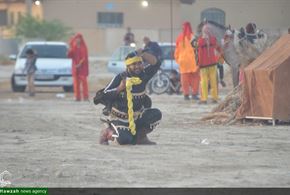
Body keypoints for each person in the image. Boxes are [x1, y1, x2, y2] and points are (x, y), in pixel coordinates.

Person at [95, 49, 162, 145]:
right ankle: (107, 132)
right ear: (128, 66)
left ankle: (141, 137)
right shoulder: (120, 78)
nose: (137, 66)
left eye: (139, 63)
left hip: (136, 117)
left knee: (156, 114)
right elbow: (100, 96)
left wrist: (143, 53)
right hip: (119, 118)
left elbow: (156, 64)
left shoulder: (143, 75)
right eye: (134, 64)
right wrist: (119, 88)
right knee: (124, 140)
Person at [174, 21, 200, 100]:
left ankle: (186, 94)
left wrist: (178, 60)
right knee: (195, 78)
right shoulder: (193, 37)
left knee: (184, 79)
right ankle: (194, 94)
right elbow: (197, 50)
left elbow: (176, 51)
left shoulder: (179, 38)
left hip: (183, 62)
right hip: (193, 62)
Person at [197, 24, 221, 104]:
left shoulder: (200, 41)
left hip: (203, 65)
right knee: (213, 81)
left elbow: (199, 53)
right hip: (213, 64)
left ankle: (204, 99)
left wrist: (199, 64)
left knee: (204, 82)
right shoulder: (214, 40)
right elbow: (219, 50)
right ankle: (215, 98)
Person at [68, 33, 89, 101]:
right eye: (76, 38)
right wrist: (70, 47)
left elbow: (84, 58)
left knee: (84, 83)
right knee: (76, 84)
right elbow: (70, 55)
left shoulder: (83, 47)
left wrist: (79, 64)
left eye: (79, 38)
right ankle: (77, 97)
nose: (77, 40)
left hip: (82, 68)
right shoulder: (73, 47)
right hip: (75, 68)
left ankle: (85, 97)